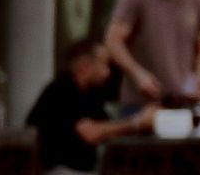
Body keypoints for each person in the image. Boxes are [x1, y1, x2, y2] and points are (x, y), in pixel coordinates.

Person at [25, 39, 155, 175]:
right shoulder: (61, 91)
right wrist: (137, 122)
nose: (108, 72)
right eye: (103, 64)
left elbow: (107, 127)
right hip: (59, 170)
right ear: (84, 67)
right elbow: (89, 132)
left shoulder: (90, 94)